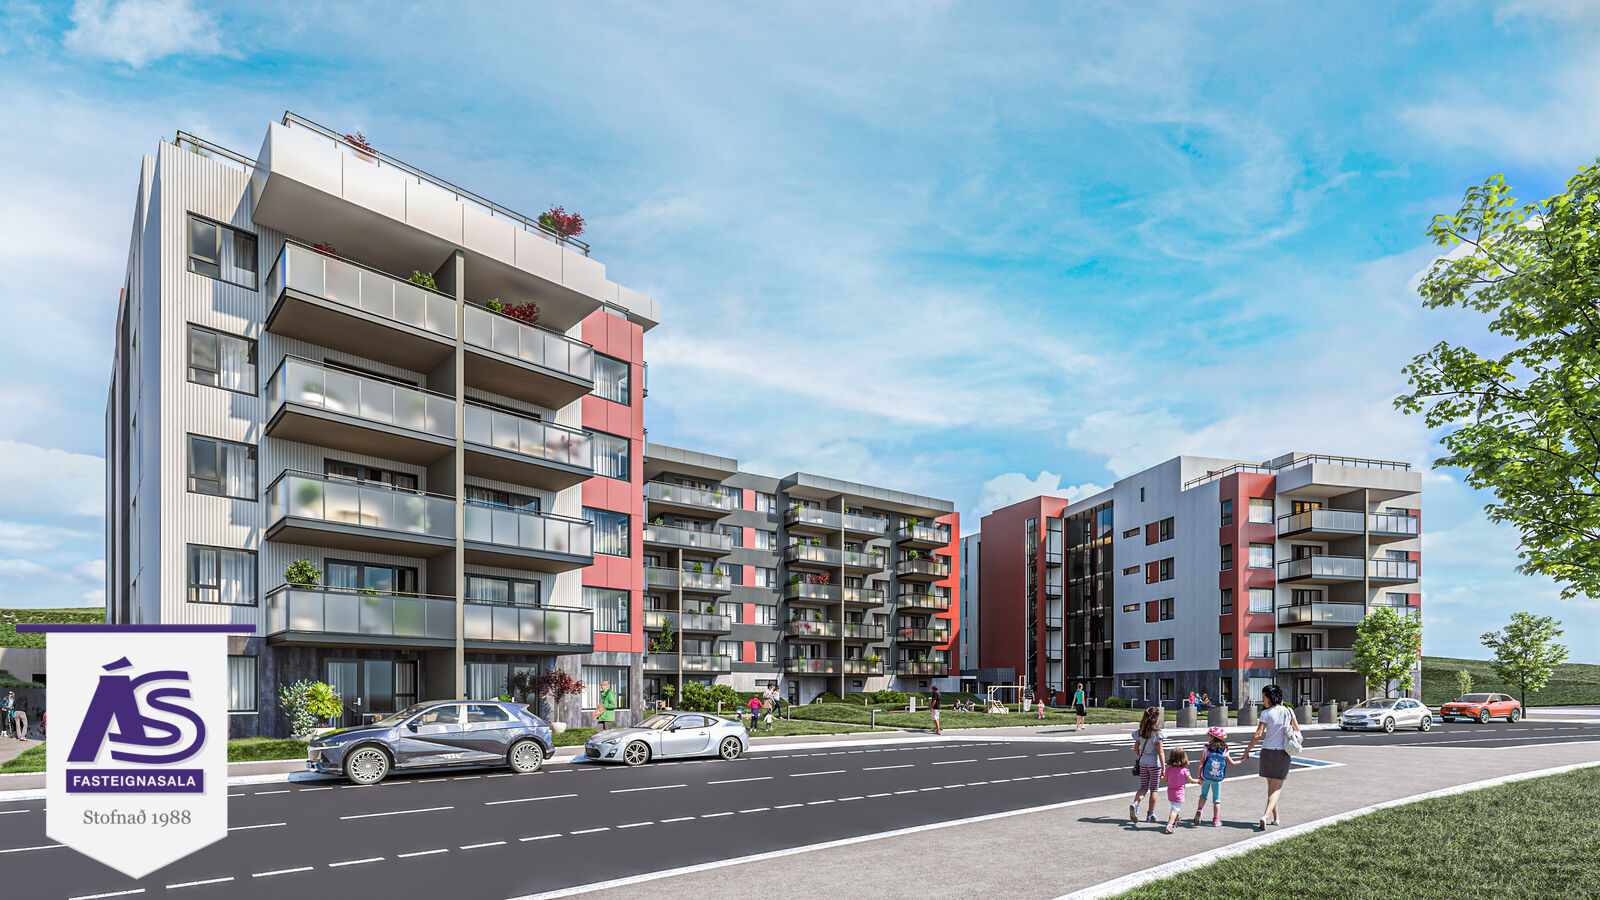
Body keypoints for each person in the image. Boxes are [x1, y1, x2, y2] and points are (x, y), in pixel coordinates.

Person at [1241, 683, 1300, 830]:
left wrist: (1247, 750)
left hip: (1266, 753)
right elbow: (1297, 730)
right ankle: (1266, 816)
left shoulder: (1266, 714)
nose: (1262, 701)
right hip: (1282, 753)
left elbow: (1258, 734)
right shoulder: (1288, 711)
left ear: (1270, 698)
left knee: (1271, 788)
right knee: (1277, 789)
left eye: (1263, 698)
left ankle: (1276, 817)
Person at [1193, 726, 1242, 826]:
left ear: (1213, 737)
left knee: (1203, 795)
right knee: (1216, 799)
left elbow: (1201, 764)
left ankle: (1199, 810)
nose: (1208, 737)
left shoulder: (1206, 748)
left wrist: (1199, 777)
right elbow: (1232, 763)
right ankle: (1216, 820)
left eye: (1209, 736)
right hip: (1217, 779)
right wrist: (1242, 760)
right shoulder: (1224, 750)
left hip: (1206, 776)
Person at [1128, 706, 1165, 824]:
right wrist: (1164, 768)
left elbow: (1135, 749)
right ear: (1156, 719)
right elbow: (1160, 752)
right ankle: (1150, 814)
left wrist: (1142, 756)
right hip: (1154, 764)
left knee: (1143, 787)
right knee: (1154, 789)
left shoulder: (1140, 732)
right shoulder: (1157, 734)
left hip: (1143, 763)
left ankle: (1135, 804)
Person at [1162, 747, 1200, 833]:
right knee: (1175, 809)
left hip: (1170, 793)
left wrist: (1161, 777)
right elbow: (1191, 781)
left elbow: (1164, 780)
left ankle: (1176, 821)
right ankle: (1170, 824)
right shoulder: (1184, 771)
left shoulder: (1168, 770)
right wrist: (1199, 781)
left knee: (1175, 807)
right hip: (1179, 794)